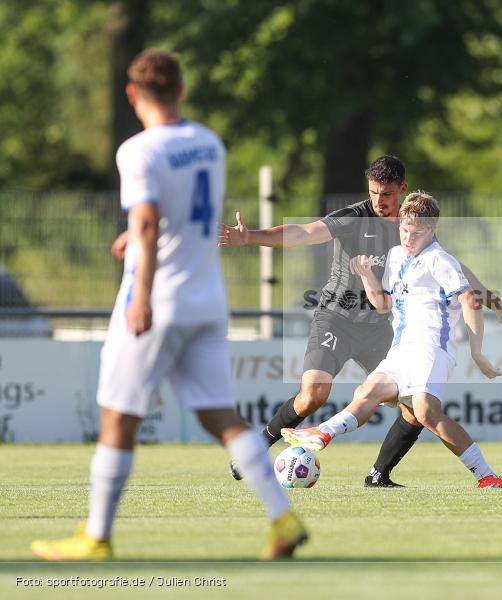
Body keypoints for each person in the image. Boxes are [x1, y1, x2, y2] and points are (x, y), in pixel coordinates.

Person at [30, 49, 306, 561]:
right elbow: (177, 217)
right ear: (181, 90)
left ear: (132, 95)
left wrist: (139, 295)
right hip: (206, 300)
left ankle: (96, 536)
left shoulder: (138, 150)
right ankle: (283, 519)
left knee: (118, 417)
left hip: (157, 299)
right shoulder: (209, 143)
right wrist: (132, 236)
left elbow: (152, 221)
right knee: (221, 416)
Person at [219, 156, 502, 487]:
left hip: (381, 326)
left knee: (414, 406)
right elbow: (304, 232)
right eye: (374, 192)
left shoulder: (412, 225)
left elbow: (456, 272)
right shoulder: (354, 218)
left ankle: (379, 475)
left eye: (387, 194)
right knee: (314, 394)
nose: (379, 201)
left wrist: (498, 304)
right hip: (337, 318)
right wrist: (250, 238)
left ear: (402, 189)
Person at [281, 192, 502, 488]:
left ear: (432, 229)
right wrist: (365, 275)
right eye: (403, 229)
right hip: (401, 349)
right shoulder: (396, 255)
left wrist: (477, 353)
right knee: (368, 391)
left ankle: (487, 476)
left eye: (416, 233)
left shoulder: (439, 260)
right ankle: (322, 433)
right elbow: (383, 305)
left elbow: (471, 301)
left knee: (426, 412)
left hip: (432, 349)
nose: (408, 238)